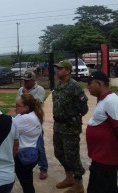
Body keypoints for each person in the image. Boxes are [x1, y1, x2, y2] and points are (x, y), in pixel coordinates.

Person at [53, 60, 88, 193]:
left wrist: (73, 116)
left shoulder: (75, 87)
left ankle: (79, 184)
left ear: (67, 71)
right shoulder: (58, 85)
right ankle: (69, 178)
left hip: (70, 128)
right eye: (57, 68)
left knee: (72, 157)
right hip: (58, 126)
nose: (57, 71)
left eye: (60, 69)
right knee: (58, 153)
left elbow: (83, 109)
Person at [86, 71, 118, 193]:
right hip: (101, 160)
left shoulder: (111, 101)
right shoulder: (103, 100)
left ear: (99, 83)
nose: (88, 87)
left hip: (105, 161)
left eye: (90, 84)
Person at [17, 70, 48, 180]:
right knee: (22, 144)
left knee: (39, 146)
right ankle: (26, 162)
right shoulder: (21, 89)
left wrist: (26, 94)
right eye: (24, 80)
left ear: (33, 80)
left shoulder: (39, 90)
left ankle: (43, 168)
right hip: (23, 121)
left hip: (34, 122)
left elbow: (37, 104)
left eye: (27, 80)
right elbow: (18, 104)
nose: (25, 82)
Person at [14, 94, 44, 193]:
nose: (15, 107)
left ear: (26, 107)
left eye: (18, 105)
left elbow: (8, 128)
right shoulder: (32, 114)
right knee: (27, 180)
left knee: (26, 183)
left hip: (24, 156)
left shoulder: (26, 119)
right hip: (32, 153)